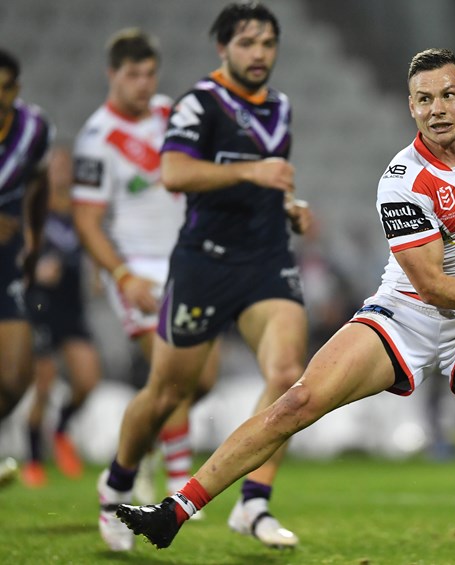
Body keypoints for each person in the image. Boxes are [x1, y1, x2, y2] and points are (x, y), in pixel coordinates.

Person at [114, 46, 455, 565]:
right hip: (407, 313)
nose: (437, 109)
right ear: (411, 107)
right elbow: (432, 286)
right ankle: (175, 511)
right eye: (424, 100)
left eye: (448, 95)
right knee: (298, 402)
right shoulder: (402, 180)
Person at [95, 3, 311, 553]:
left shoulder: (281, 106)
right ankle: (115, 484)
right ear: (223, 48)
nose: (259, 53)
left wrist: (289, 206)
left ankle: (253, 502)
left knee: (288, 375)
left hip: (266, 260)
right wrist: (251, 170)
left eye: (267, 43)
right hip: (205, 263)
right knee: (168, 392)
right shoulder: (200, 103)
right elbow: (173, 172)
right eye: (247, 43)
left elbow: (272, 179)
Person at [72, 28, 218, 528]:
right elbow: (87, 221)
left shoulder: (167, 114)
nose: (143, 84)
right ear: (112, 75)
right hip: (136, 268)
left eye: (149, 74)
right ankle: (178, 484)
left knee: (203, 378)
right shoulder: (96, 140)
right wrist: (120, 274)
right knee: (170, 372)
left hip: (185, 261)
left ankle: (143, 443)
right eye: (133, 75)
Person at [21, 146, 102, 488]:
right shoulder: (34, 209)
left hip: (72, 304)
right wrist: (34, 270)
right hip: (40, 304)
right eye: (55, 166)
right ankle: (33, 460)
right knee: (44, 384)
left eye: (66, 166)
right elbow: (17, 254)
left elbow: (93, 243)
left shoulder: (79, 212)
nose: (61, 172)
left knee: (87, 380)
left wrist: (98, 271)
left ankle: (61, 430)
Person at [0, 47, 52, 443]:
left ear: (16, 88)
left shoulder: (34, 127)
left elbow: (39, 178)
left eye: (5, 88)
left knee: (16, 378)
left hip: (7, 258)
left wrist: (35, 232)